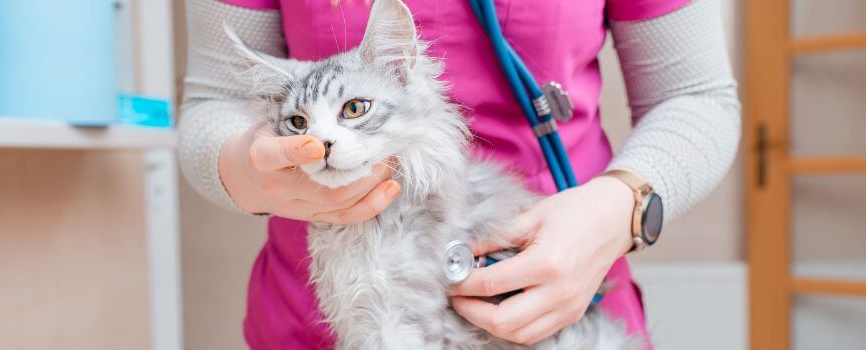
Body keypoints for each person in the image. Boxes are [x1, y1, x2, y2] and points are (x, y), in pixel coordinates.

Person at [179, 0, 739, 348]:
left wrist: (620, 208)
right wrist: (248, 170)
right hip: (319, 314)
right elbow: (215, 101)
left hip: (558, 307)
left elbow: (697, 96)